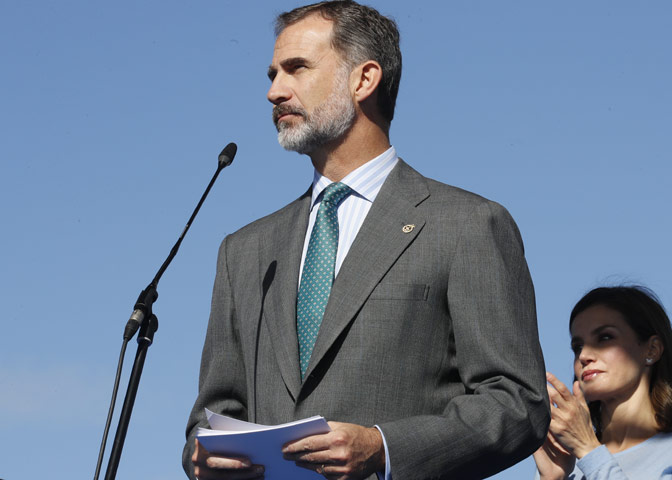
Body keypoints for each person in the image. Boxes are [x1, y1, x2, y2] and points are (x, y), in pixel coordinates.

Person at [183, 1, 549, 479]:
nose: (275, 91)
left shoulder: (467, 226)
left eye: (296, 69)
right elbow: (211, 415)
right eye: (272, 74)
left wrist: (384, 447)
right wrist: (201, 458)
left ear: (364, 79)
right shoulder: (245, 251)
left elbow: (517, 402)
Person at [533, 286, 672, 479]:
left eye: (605, 338)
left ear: (652, 350)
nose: (584, 355)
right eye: (578, 346)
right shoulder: (565, 461)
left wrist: (589, 451)